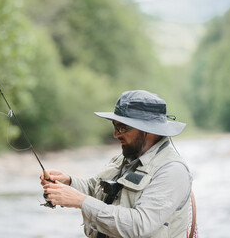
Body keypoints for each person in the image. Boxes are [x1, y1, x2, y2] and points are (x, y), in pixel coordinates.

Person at [41, 90, 196, 238]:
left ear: (150, 130)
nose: (116, 134)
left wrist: (80, 201)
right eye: (115, 126)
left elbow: (140, 224)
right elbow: (93, 188)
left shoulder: (172, 171)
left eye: (123, 127)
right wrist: (68, 182)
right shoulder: (124, 158)